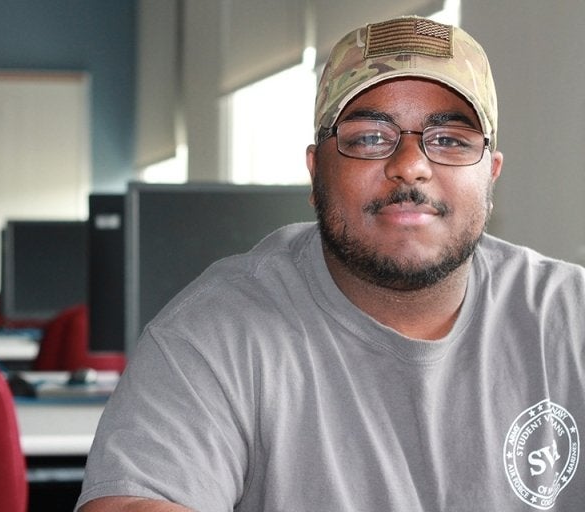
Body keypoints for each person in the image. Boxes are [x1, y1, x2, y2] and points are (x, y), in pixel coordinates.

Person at [76, 15, 585, 511]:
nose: (409, 166)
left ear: (490, 173)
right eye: (369, 138)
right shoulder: (214, 331)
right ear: (316, 171)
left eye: (450, 140)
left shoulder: (570, 315)